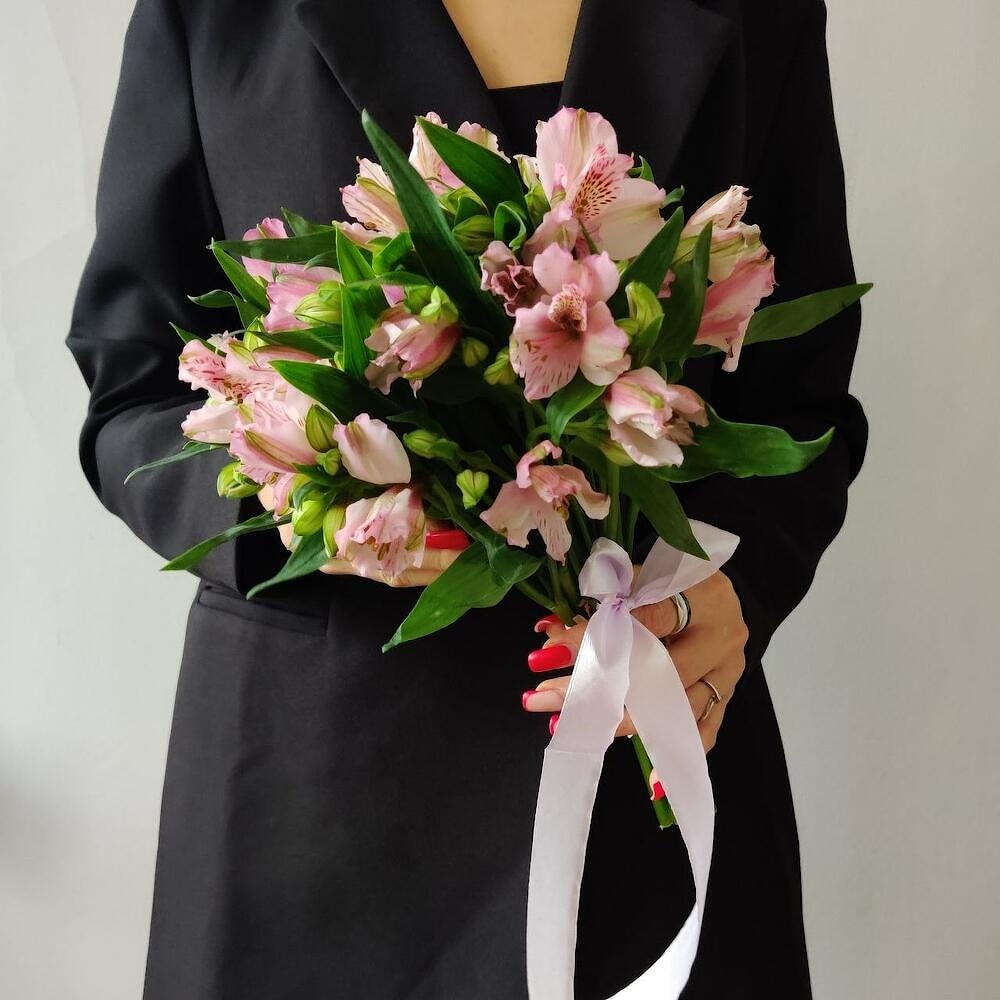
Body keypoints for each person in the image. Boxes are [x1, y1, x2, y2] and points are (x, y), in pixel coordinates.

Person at [65, 0, 867, 997]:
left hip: (642, 751)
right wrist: (307, 505)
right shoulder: (212, 17)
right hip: (316, 801)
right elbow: (135, 390)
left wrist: (731, 591)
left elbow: (799, 401)